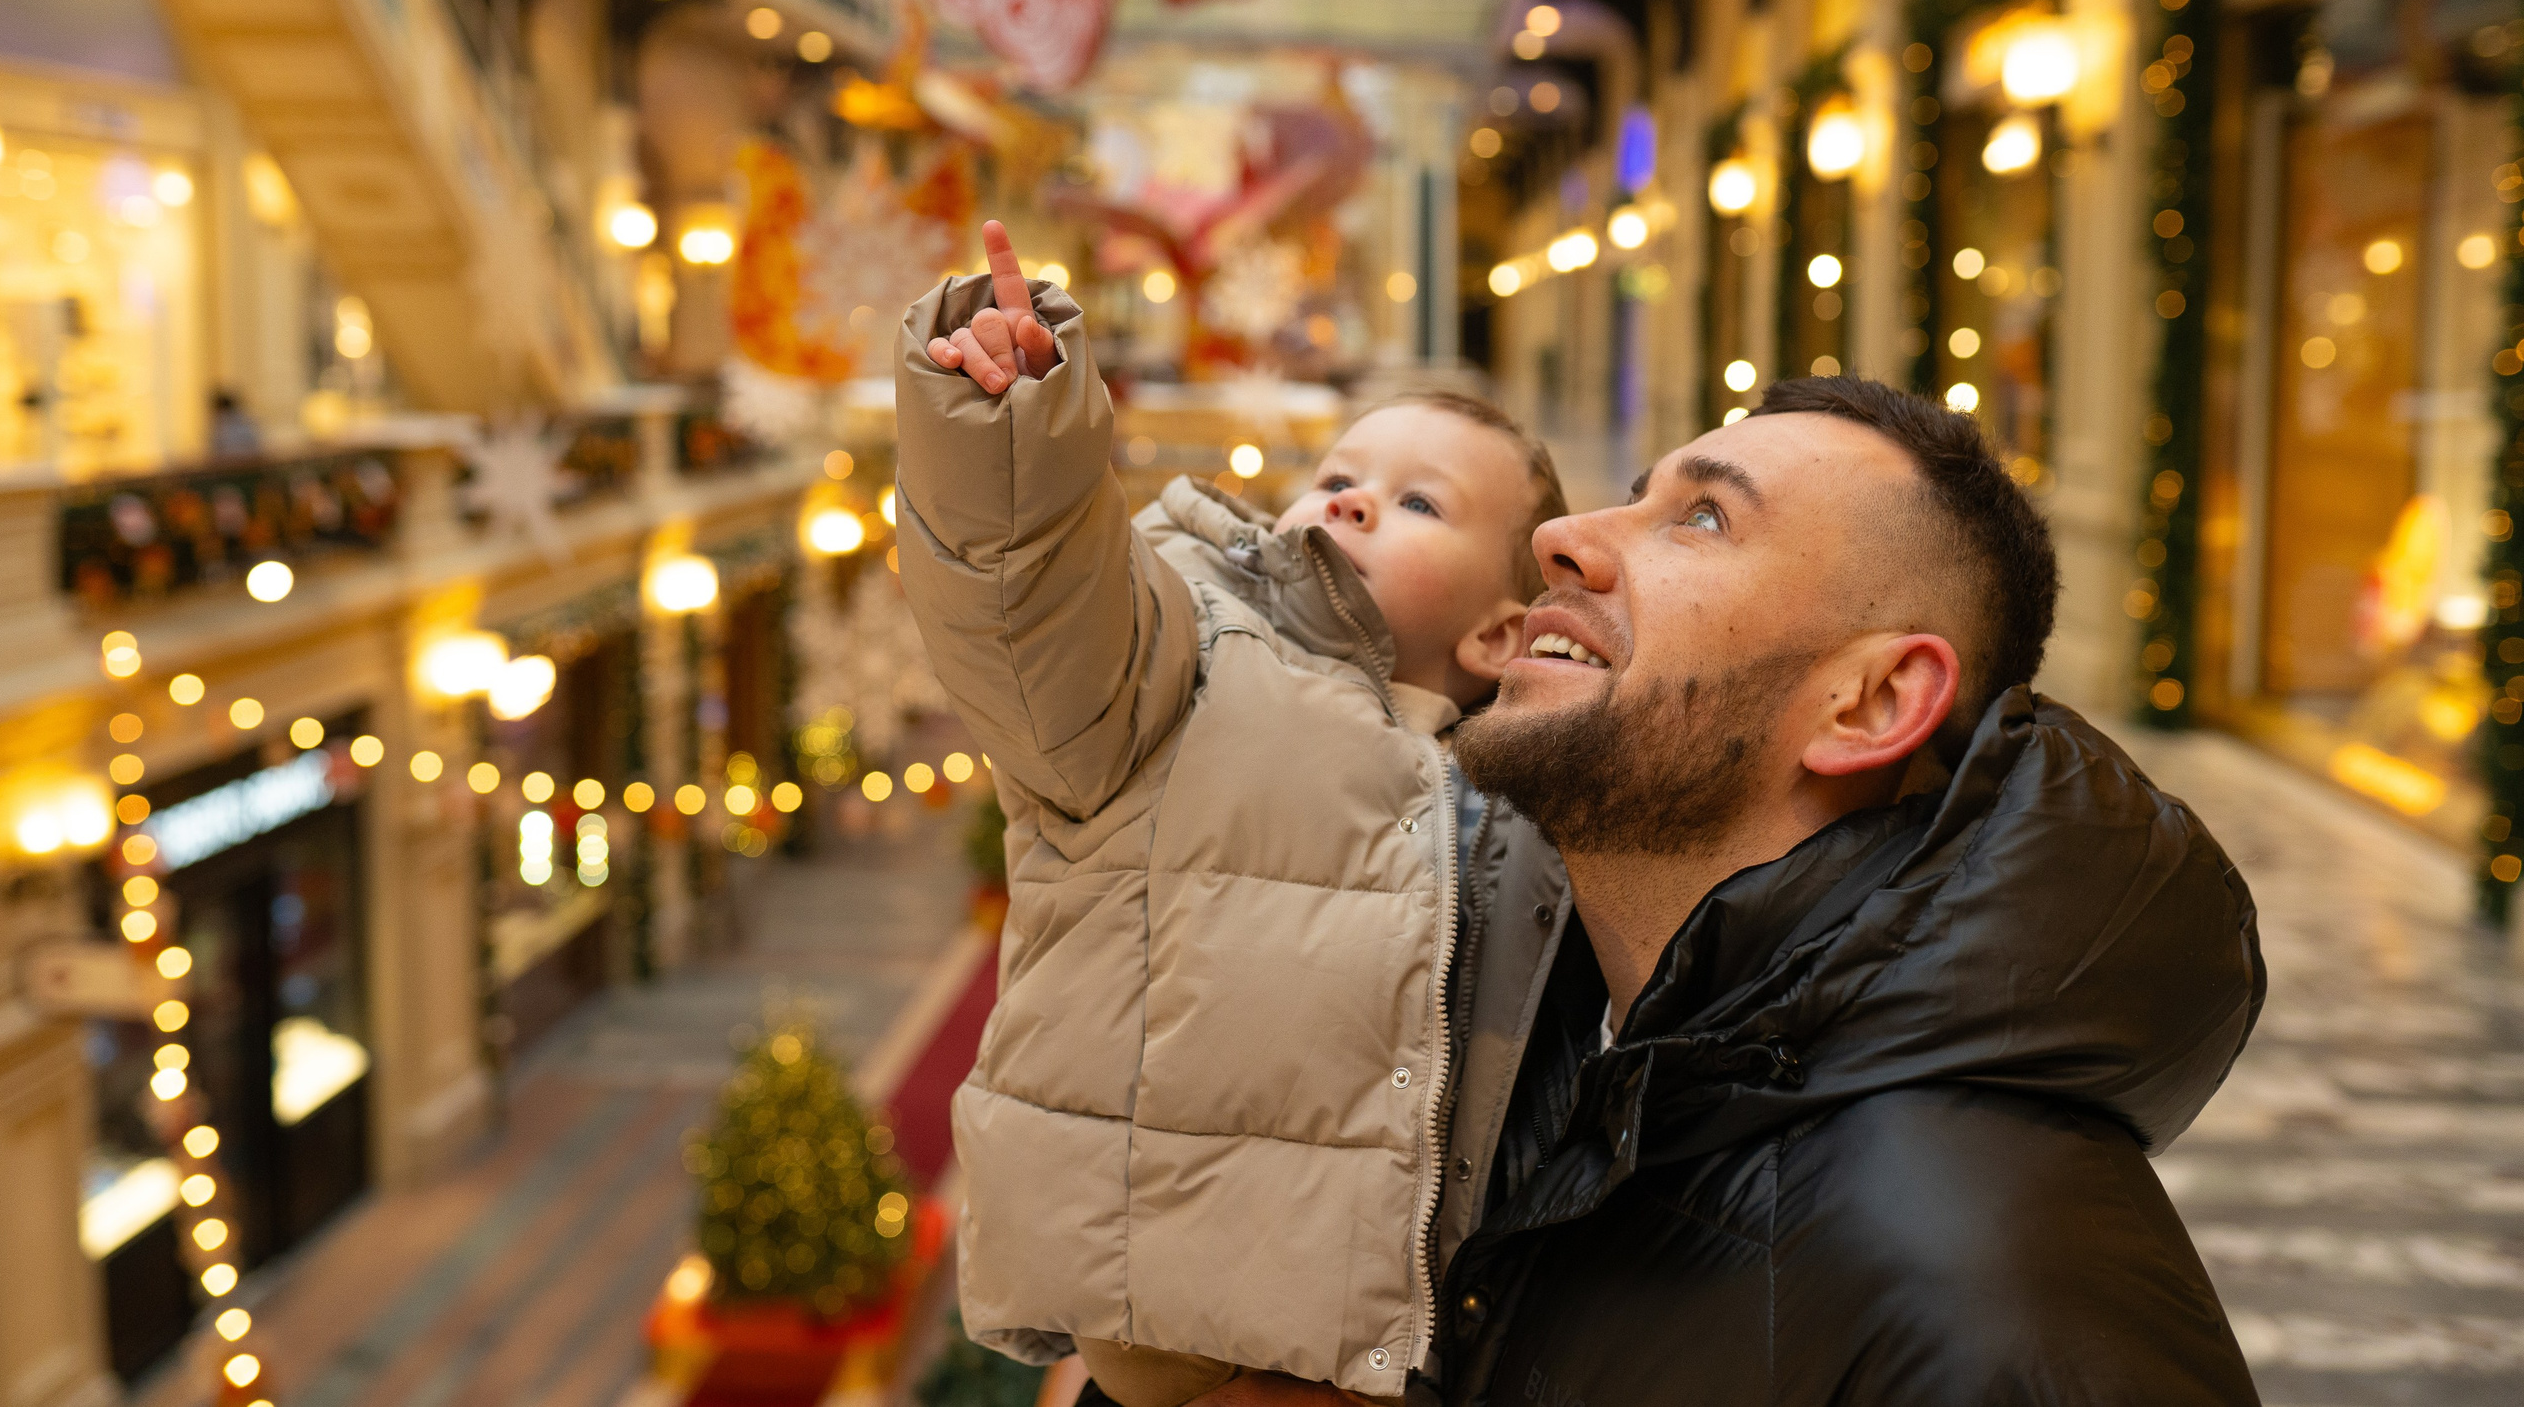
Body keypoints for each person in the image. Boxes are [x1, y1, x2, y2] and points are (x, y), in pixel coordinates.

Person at [1434, 374, 2266, 1406]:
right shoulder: (1539, 1052)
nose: (1562, 534)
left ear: (1871, 704)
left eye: (1702, 517)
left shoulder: (1995, 1295)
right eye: (1637, 494)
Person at [897, 222, 1575, 1406]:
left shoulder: (1519, 792)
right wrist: (1013, 434)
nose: (1357, 503)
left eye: (1418, 503)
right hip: (1168, 1295)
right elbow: (1033, 601)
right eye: (1337, 479)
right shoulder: (1188, 648)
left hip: (1392, 1332)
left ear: (1498, 636)